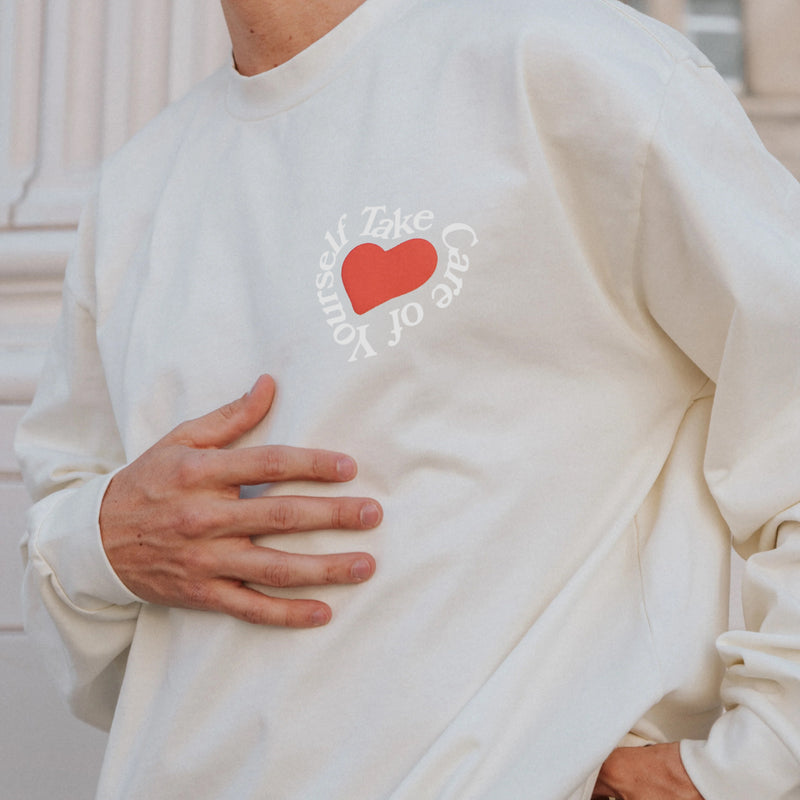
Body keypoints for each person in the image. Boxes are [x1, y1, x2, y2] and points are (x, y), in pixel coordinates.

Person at [15, 0, 800, 798]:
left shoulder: (563, 64)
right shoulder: (134, 194)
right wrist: (105, 541)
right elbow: (75, 629)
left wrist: (753, 766)